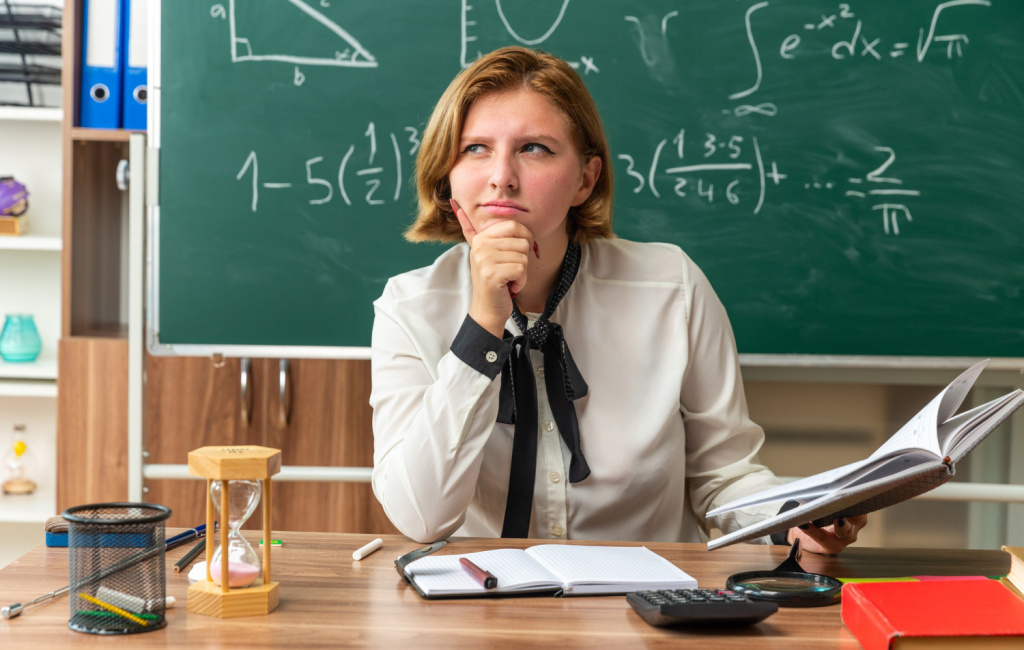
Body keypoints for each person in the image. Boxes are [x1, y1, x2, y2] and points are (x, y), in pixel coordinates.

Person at [369, 46, 866, 552]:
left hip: (647, 613)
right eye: (475, 148)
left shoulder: (673, 288)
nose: (502, 176)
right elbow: (419, 516)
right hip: (480, 609)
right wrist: (482, 328)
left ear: (585, 179)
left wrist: (794, 517)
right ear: (447, 174)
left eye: (534, 148)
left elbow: (725, 478)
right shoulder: (409, 308)